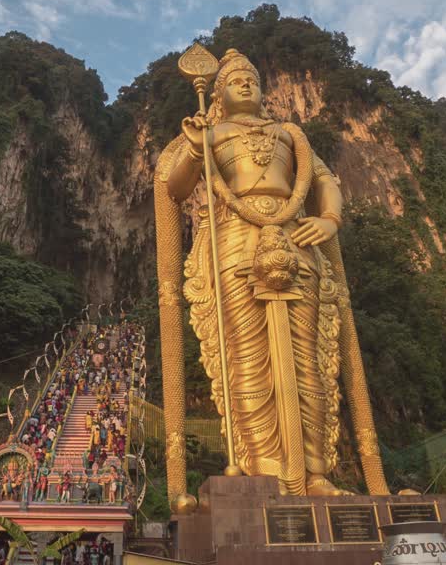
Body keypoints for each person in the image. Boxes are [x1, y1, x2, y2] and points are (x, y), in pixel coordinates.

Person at [155, 47, 385, 498]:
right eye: (235, 80)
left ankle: (315, 472)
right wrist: (194, 150)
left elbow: (325, 183)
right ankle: (264, 467)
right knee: (246, 356)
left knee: (307, 359)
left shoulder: (290, 134)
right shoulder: (210, 131)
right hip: (234, 241)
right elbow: (175, 190)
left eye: (253, 79)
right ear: (217, 93)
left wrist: (329, 220)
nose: (246, 84)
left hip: (296, 236)